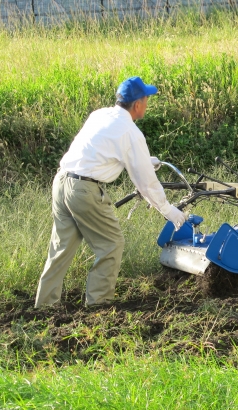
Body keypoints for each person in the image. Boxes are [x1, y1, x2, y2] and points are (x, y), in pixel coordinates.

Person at [35, 76, 188, 308]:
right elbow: (146, 183)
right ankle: (99, 306)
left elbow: (100, 149)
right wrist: (169, 211)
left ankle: (44, 306)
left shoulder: (100, 115)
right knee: (111, 244)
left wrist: (144, 160)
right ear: (137, 104)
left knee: (60, 249)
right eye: (146, 99)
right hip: (84, 190)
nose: (147, 103)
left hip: (62, 182)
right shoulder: (131, 132)